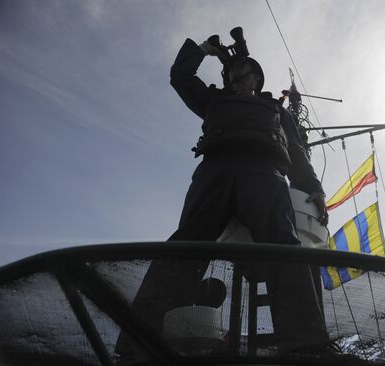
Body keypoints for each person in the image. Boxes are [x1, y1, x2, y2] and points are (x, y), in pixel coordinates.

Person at [115, 34, 331, 360]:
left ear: (257, 79)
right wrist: (204, 50)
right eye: (235, 72)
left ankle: (308, 347)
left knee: (283, 248)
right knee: (186, 247)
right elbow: (181, 76)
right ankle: (138, 345)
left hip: (265, 171)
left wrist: (313, 187)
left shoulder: (275, 108)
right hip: (215, 169)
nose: (240, 76)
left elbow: (297, 153)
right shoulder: (213, 101)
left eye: (246, 72)